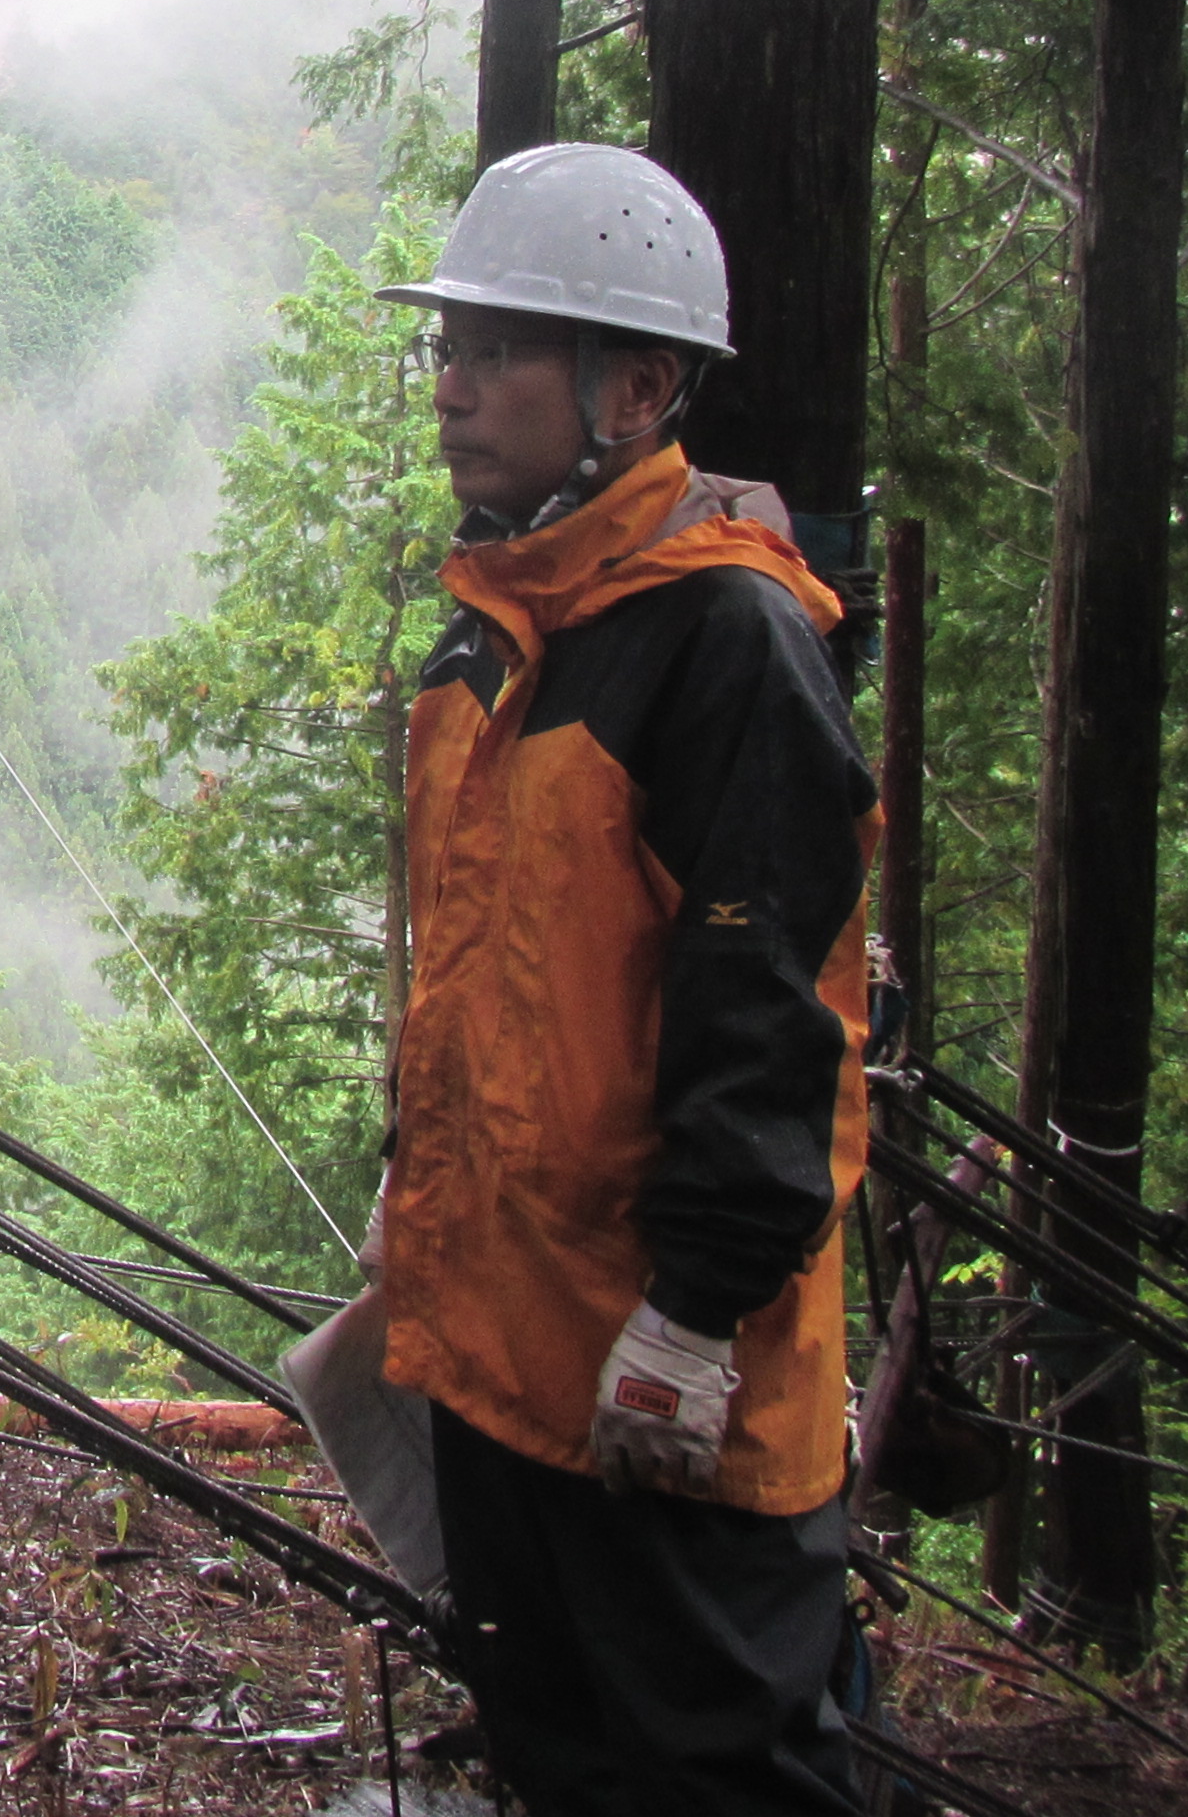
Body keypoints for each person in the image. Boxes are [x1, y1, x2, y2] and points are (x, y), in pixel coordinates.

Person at [366, 141, 877, 1813]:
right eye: (452, 347)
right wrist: (414, 1201)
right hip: (509, 1361)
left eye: (501, 348)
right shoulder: (498, 638)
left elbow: (773, 1019)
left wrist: (696, 1316)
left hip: (661, 1376)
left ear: (639, 386)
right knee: (559, 1757)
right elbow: (479, 991)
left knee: (711, 1775)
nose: (454, 386)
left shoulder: (730, 647)